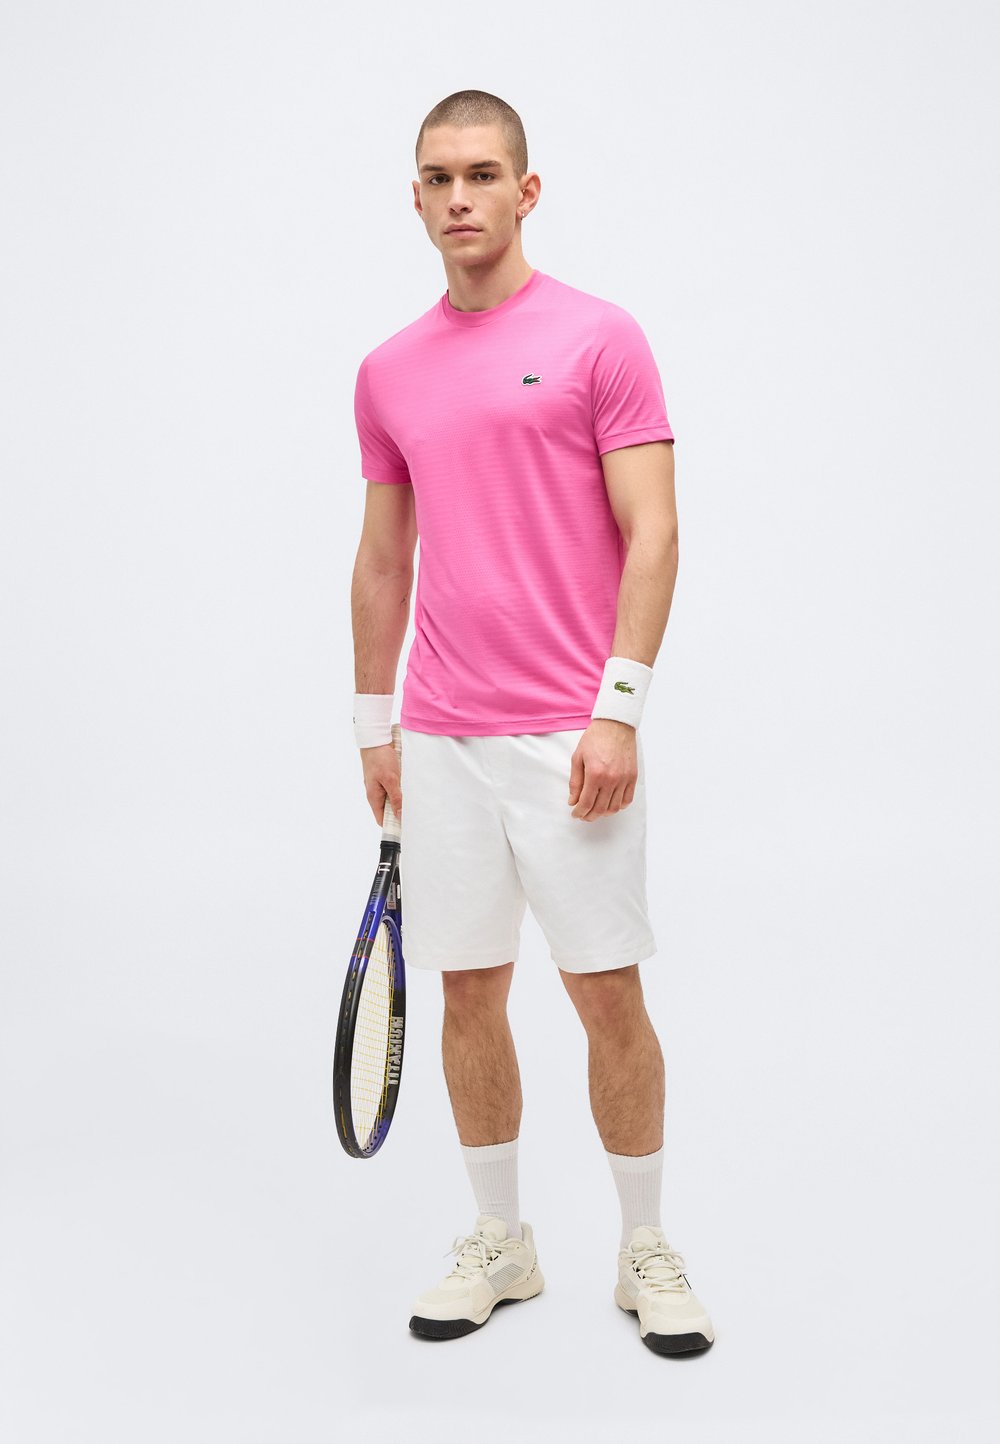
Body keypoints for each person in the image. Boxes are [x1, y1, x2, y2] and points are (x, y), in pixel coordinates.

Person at [349, 88, 714, 1356]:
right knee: (467, 993)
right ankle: (501, 1239)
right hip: (440, 736)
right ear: (415, 197)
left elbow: (654, 531)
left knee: (605, 995)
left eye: (482, 173)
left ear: (526, 189)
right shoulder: (387, 370)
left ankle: (644, 1245)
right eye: (438, 177)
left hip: (571, 737)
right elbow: (383, 557)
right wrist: (374, 722)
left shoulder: (599, 337)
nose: (460, 196)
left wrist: (619, 711)